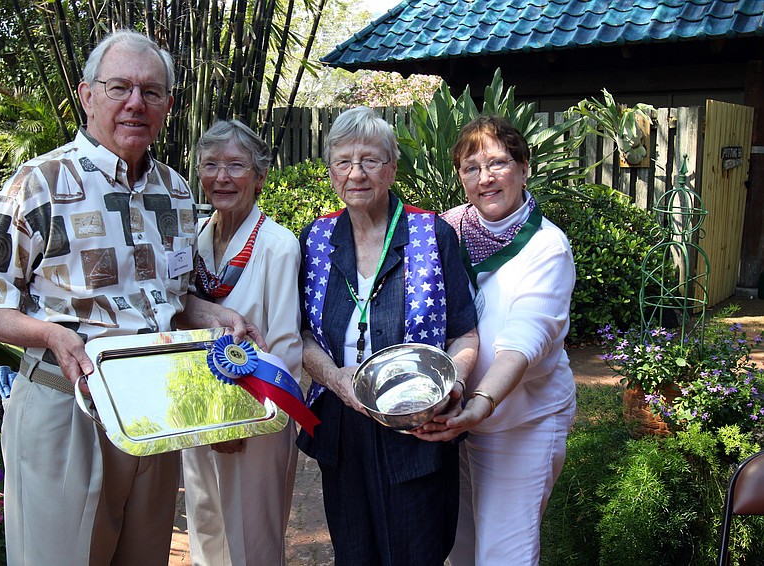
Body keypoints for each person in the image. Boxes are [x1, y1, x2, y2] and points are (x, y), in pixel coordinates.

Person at [0, 29, 259, 566]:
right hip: (67, 409)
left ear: (168, 105)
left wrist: (220, 316)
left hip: (152, 410)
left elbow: (173, 299)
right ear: (87, 94)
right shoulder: (40, 183)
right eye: (119, 87)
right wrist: (49, 333)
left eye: (151, 92)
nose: (134, 103)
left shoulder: (174, 189)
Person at [297, 105, 479, 565]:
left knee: (416, 550)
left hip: (416, 422)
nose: (355, 173)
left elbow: (464, 334)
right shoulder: (315, 241)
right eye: (343, 161)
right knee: (354, 552)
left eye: (370, 160)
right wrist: (336, 378)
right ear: (331, 171)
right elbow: (300, 333)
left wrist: (450, 388)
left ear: (392, 168)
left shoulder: (431, 234)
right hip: (343, 424)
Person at [439, 115, 577, 565]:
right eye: (471, 167)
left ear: (524, 167)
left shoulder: (546, 247)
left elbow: (524, 342)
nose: (485, 178)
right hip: (454, 418)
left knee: (503, 554)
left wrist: (481, 401)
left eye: (498, 163)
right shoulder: (446, 231)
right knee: (458, 549)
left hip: (521, 423)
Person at [180, 120, 303, 565]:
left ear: (260, 176)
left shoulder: (278, 246)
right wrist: (205, 417)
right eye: (211, 165)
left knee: (253, 538)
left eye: (236, 165)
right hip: (197, 413)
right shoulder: (191, 240)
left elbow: (287, 346)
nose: (222, 177)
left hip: (256, 417)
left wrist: (239, 422)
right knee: (206, 527)